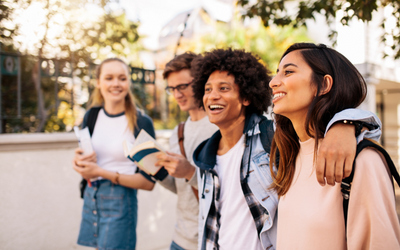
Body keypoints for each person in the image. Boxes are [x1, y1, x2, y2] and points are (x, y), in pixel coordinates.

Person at [191, 48, 382, 250]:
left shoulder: (272, 137)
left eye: (223, 89)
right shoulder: (204, 156)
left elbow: (319, 125)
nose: (212, 96)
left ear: (246, 97)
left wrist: (345, 124)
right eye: (207, 89)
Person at [269, 43, 400, 249]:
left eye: (288, 72)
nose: (273, 82)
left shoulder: (362, 160)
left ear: (323, 85)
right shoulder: (288, 157)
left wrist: (348, 123)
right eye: (276, 73)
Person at [72, 58, 157, 250]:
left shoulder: (141, 123)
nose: (116, 84)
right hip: (91, 195)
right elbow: (87, 166)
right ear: (98, 82)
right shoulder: (91, 116)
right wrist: (79, 164)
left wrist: (101, 172)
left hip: (120, 200)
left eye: (122, 78)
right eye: (109, 78)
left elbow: (148, 182)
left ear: (129, 82)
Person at [154, 52, 218, 250]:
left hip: (212, 238)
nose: (177, 94)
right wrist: (156, 170)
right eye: (172, 88)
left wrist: (190, 172)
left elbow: (231, 189)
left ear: (200, 82)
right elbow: (182, 189)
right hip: (180, 238)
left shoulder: (220, 126)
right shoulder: (178, 132)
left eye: (183, 86)